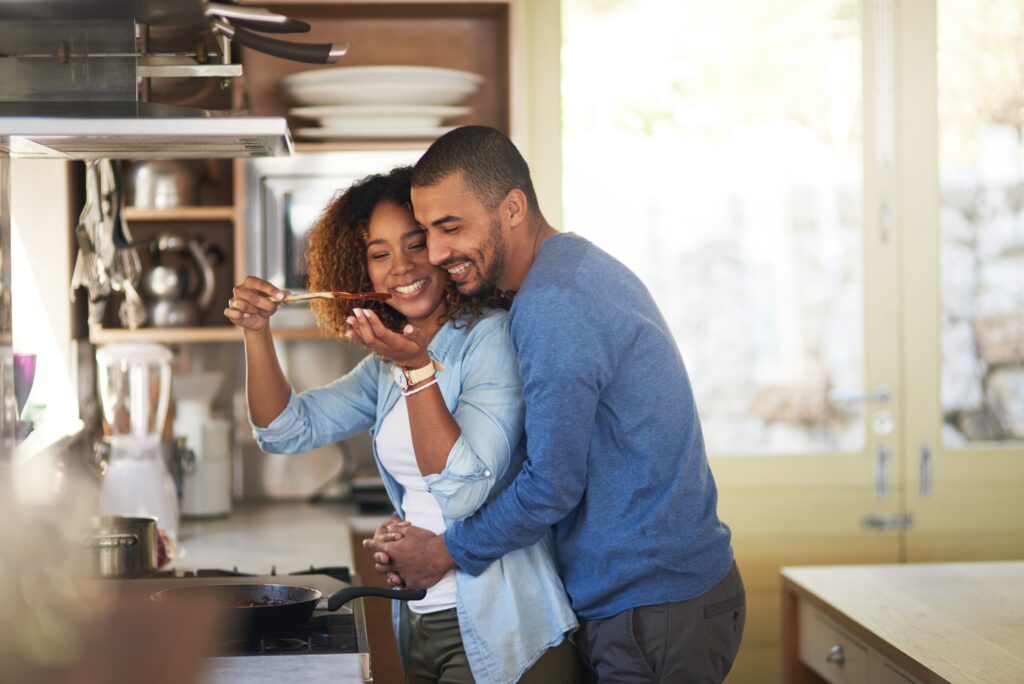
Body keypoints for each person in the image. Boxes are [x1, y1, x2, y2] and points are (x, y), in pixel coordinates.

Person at [364, 127, 746, 683]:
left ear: (513, 208)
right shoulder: (569, 269)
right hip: (653, 598)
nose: (439, 252)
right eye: (428, 231)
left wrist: (446, 551)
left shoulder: (552, 306)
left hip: (650, 609)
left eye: (451, 227)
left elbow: (551, 485)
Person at [224, 165, 581, 684]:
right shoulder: (387, 364)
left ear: (444, 249)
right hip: (420, 620)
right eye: (379, 253)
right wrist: (257, 332)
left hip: (506, 628)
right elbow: (285, 430)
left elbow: (460, 491)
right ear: (360, 271)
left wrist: (417, 372)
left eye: (416, 244)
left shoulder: (489, 340)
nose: (401, 267)